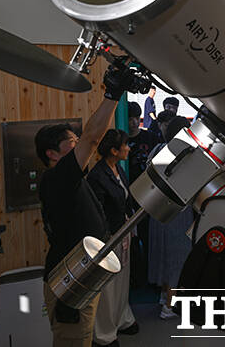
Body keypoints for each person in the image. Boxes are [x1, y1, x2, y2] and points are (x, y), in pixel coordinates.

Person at [35, 66, 130, 347]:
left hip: (83, 276)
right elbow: (92, 138)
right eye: (72, 142)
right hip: (70, 281)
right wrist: (113, 94)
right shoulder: (57, 178)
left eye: (77, 141)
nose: (79, 145)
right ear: (52, 154)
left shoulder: (71, 180)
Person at [87, 130, 138, 346]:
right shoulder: (97, 176)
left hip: (123, 233)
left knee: (122, 281)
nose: (128, 149)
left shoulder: (117, 169)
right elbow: (96, 212)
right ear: (114, 151)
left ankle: (122, 319)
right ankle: (104, 333)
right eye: (125, 145)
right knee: (108, 287)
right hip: (109, 238)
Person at [146, 116, 196, 320]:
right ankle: (170, 306)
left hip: (157, 212)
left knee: (162, 256)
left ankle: (164, 295)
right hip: (178, 214)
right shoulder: (186, 155)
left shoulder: (157, 149)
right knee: (177, 259)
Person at [126, 101, 159, 288]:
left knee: (150, 237)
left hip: (151, 195)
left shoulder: (150, 137)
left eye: (135, 118)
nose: (132, 122)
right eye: (129, 118)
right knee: (132, 240)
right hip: (130, 197)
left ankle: (151, 276)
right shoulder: (122, 140)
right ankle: (137, 277)